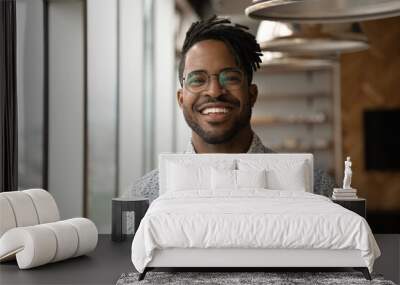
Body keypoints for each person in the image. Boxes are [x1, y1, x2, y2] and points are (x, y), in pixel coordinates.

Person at [123, 16, 334, 206]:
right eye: (198, 79)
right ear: (181, 99)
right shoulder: (143, 196)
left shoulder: (315, 188)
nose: (214, 91)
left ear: (252, 95)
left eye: (230, 77)